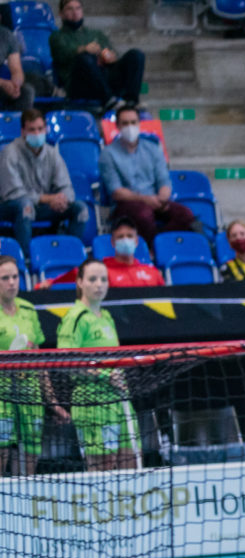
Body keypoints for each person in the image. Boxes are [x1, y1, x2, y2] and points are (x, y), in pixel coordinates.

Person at [55, 260, 141, 472]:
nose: (99, 285)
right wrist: (103, 375)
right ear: (79, 283)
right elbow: (66, 362)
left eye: (103, 279)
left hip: (119, 401)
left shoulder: (107, 317)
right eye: (92, 279)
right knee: (103, 471)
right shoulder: (75, 318)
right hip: (92, 403)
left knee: (132, 463)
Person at [98, 106, 200, 250]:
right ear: (117, 126)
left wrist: (163, 196)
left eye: (133, 122)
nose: (130, 127)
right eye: (125, 123)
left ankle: (161, 245)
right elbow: (116, 192)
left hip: (155, 200)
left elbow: (164, 179)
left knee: (185, 215)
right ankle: (153, 251)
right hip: (126, 204)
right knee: (144, 215)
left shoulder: (152, 148)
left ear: (139, 124)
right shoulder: (108, 154)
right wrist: (146, 200)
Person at [0, 254, 65, 476]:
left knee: (29, 460)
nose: (11, 282)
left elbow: (39, 362)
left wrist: (52, 402)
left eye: (15, 277)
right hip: (2, 397)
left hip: (31, 395)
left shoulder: (28, 310)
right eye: (4, 278)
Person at [0, 109, 88, 257]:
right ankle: (26, 261)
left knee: (80, 209)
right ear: (23, 132)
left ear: (46, 129)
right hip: (10, 207)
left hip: (43, 207)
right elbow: (14, 194)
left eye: (40, 129)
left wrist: (61, 200)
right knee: (25, 206)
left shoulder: (52, 153)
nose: (37, 133)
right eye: (32, 129)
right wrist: (48, 199)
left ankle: (70, 257)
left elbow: (66, 187)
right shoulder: (10, 153)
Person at [49, 0, 145, 109]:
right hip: (79, 84)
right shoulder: (56, 36)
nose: (75, 12)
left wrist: (110, 57)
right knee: (85, 58)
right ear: (61, 13)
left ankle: (131, 101)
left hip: (104, 77)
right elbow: (64, 53)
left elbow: (111, 53)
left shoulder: (96, 34)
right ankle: (109, 100)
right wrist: (84, 49)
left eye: (78, 8)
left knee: (136, 55)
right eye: (70, 9)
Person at [93, 217, 164, 287]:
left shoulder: (153, 273)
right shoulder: (103, 274)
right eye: (120, 237)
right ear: (113, 242)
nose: (125, 240)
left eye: (129, 236)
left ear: (136, 241)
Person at [0, 23, 33, 111]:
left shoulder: (6, 35)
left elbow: (16, 69)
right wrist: (3, 83)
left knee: (26, 91)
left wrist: (16, 85)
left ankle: (17, 123)